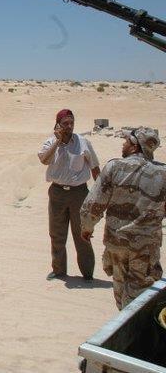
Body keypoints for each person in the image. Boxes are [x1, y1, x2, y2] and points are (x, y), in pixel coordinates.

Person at [80, 127, 165, 309]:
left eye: (126, 141)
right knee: (141, 298)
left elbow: (92, 205)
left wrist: (87, 228)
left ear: (135, 146)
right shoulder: (162, 173)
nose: (123, 144)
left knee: (121, 294)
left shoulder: (114, 167)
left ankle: (124, 320)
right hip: (145, 247)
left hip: (117, 244)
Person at [38, 109, 100, 281]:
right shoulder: (50, 142)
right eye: (65, 123)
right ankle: (58, 271)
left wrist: (100, 193)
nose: (69, 126)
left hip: (79, 194)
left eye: (71, 123)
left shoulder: (83, 142)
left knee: (82, 234)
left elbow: (95, 168)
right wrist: (57, 142)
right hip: (57, 193)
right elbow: (44, 160)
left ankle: (87, 273)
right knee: (56, 234)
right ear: (57, 125)